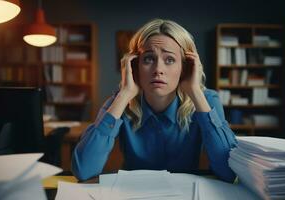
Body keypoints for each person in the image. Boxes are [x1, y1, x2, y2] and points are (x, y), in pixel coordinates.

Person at [72, 18, 237, 182]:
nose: (158, 70)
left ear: (185, 67)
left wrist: (195, 92)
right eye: (149, 59)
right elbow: (84, 170)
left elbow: (228, 172)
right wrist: (124, 95)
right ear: (135, 66)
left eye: (170, 60)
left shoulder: (206, 101)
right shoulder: (121, 101)